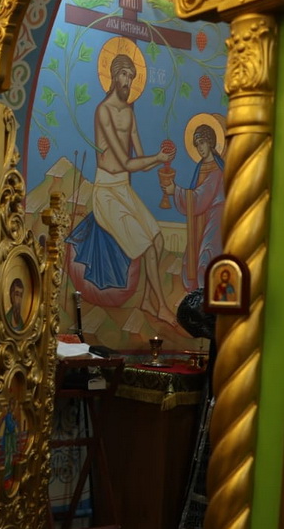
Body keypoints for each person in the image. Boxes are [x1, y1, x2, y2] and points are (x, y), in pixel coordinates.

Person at [68, 51, 176, 324]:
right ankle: (162, 307)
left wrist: (161, 158)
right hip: (106, 193)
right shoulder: (103, 111)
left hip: (124, 189)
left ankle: (148, 302)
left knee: (159, 240)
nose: (128, 81)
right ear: (114, 76)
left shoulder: (129, 112)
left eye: (131, 76)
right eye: (124, 75)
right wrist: (155, 159)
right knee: (148, 248)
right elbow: (126, 162)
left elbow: (140, 160)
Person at [160, 122, 225, 291]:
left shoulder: (217, 169)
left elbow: (200, 197)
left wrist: (175, 191)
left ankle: (207, 297)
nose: (200, 148)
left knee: (207, 256)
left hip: (215, 219)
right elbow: (198, 196)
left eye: (202, 143)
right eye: (197, 145)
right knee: (194, 256)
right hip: (202, 218)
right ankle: (197, 295)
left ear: (210, 142)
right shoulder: (201, 166)